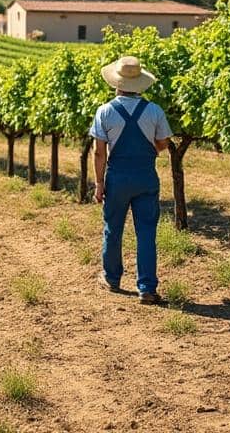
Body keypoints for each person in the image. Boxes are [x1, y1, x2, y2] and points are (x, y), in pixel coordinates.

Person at [90, 55, 172, 305]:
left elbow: (99, 151)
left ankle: (112, 278)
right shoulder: (154, 110)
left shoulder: (104, 111)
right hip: (146, 176)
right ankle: (147, 288)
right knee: (146, 232)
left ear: (117, 83)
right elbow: (163, 143)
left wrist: (99, 183)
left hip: (117, 178)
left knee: (113, 229)